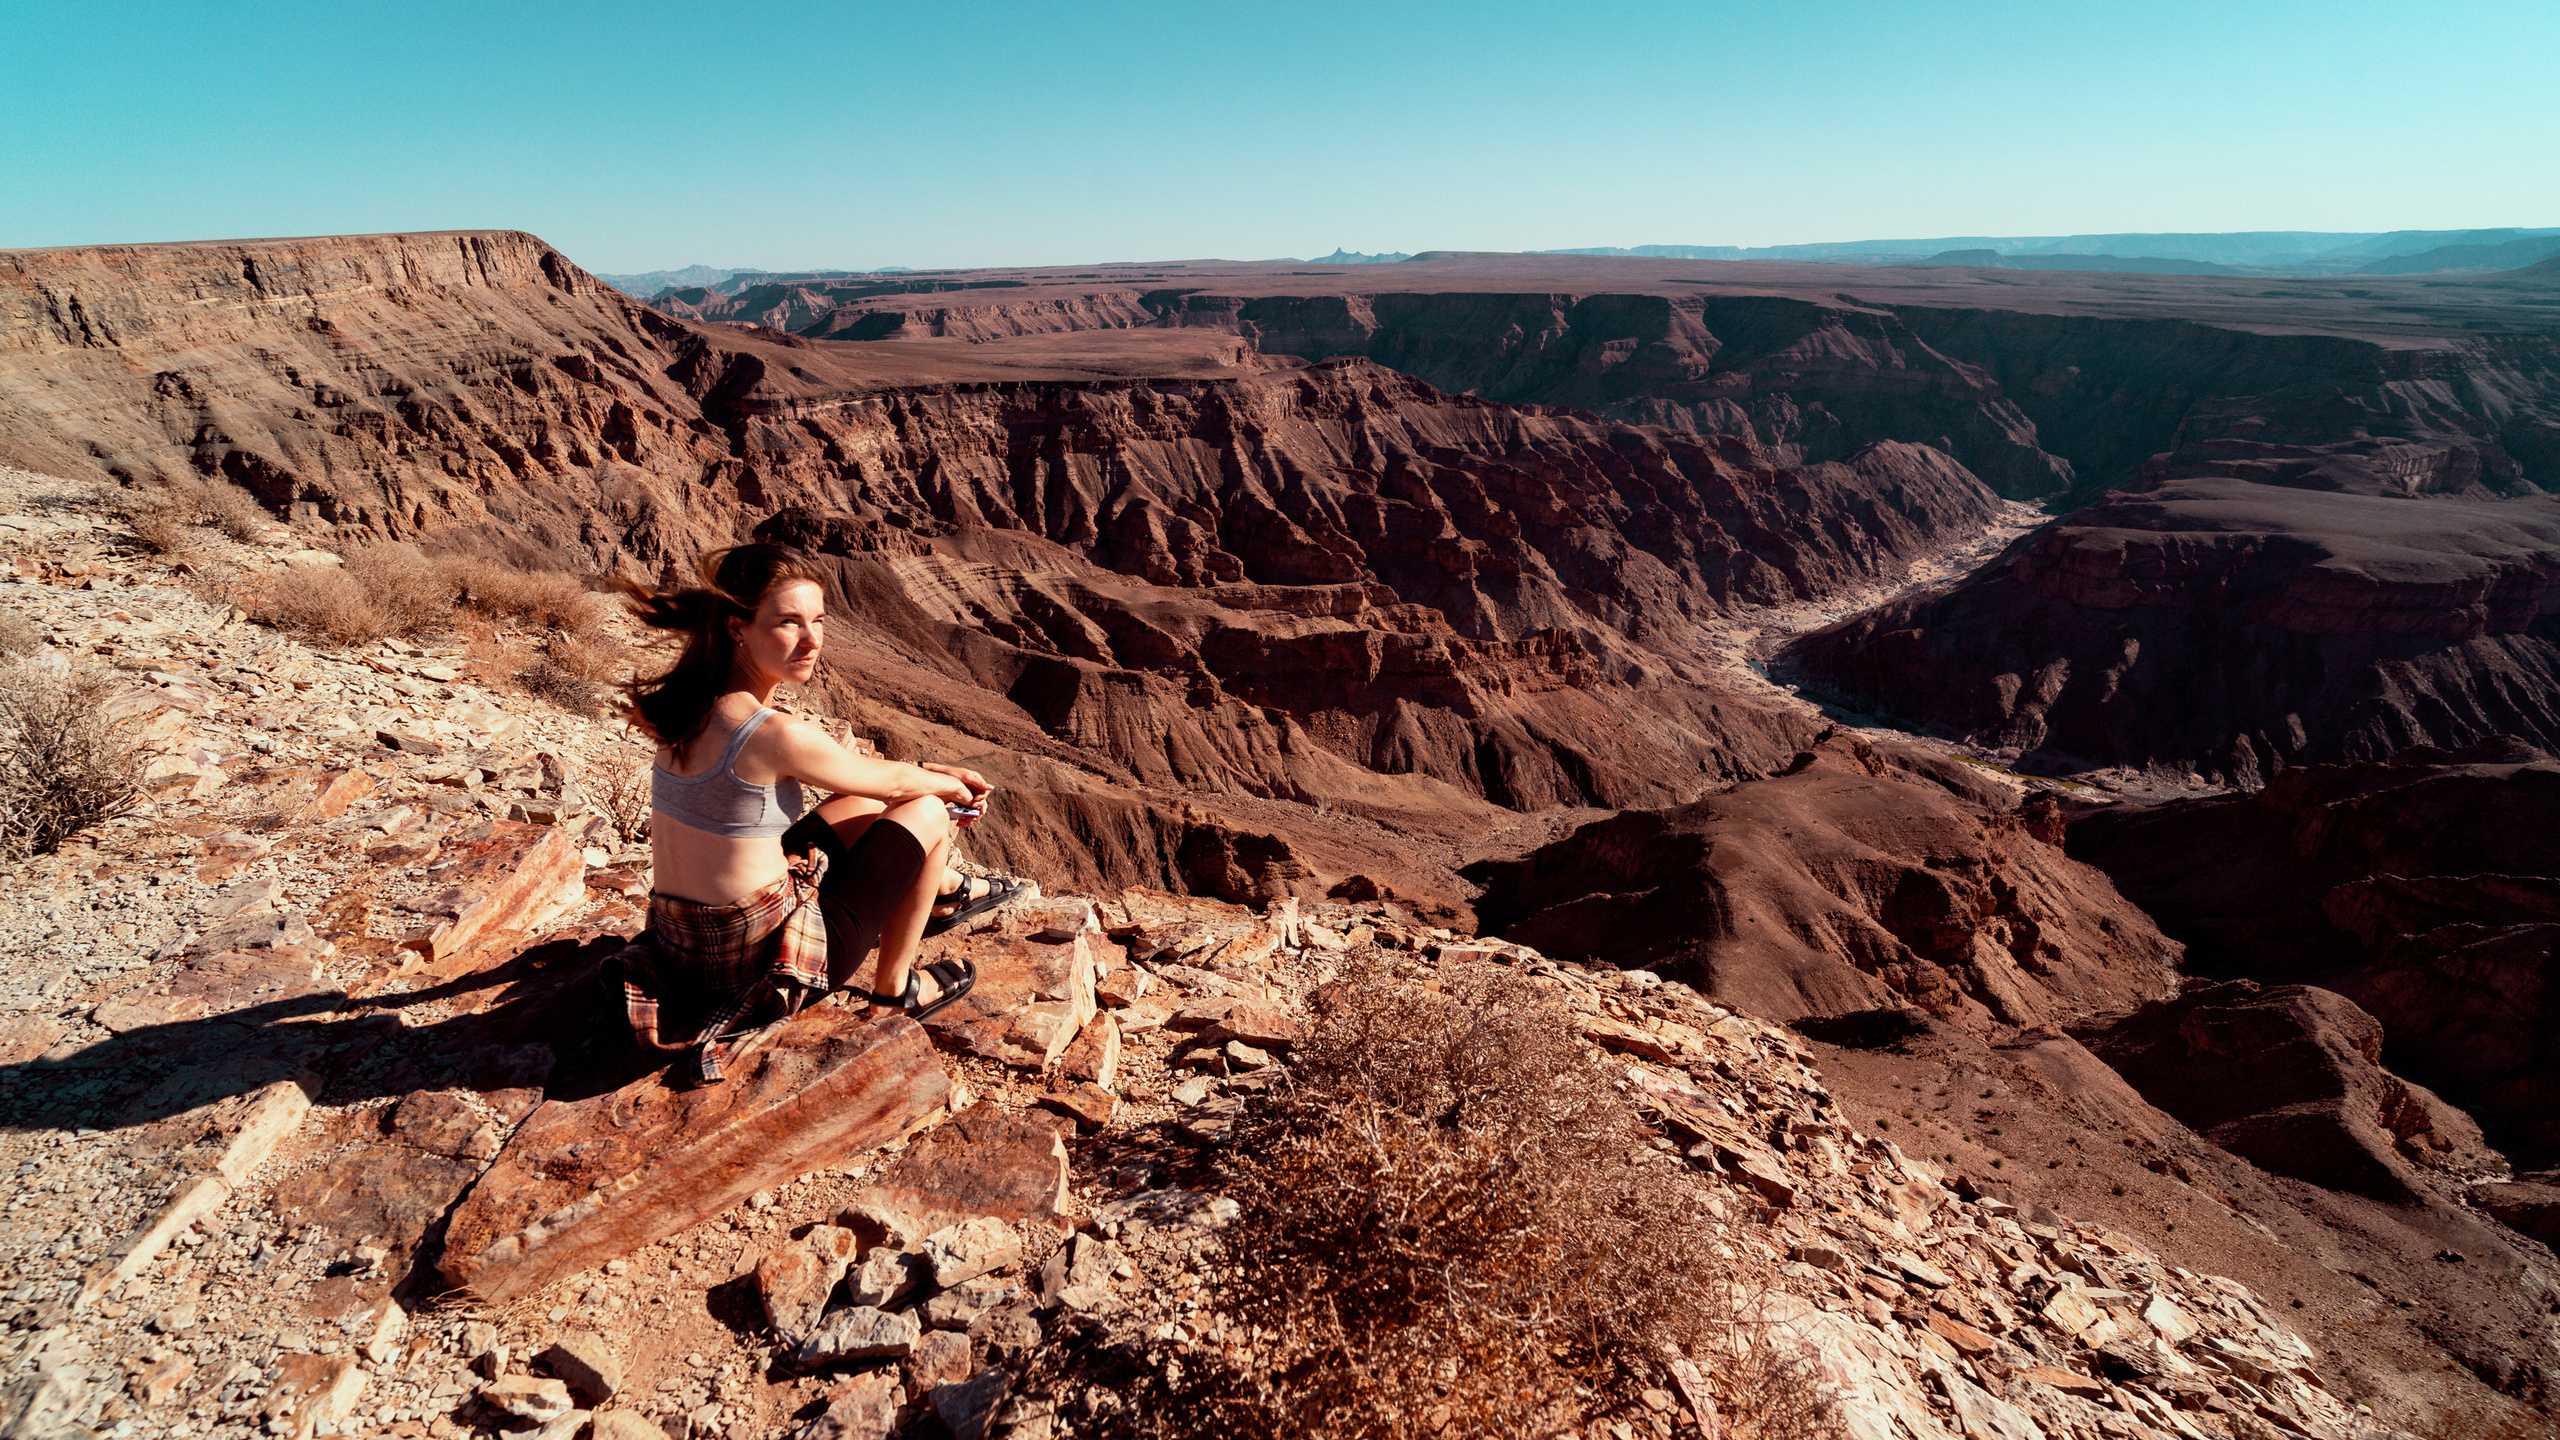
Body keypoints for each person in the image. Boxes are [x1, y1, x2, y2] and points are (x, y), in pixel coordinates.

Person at [614, 543, 1025, 1081]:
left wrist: (932, 771)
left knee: (860, 800)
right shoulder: (771, 733)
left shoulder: (687, 703)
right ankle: (896, 992)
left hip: (683, 946)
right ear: (738, 627)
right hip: (756, 965)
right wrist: (953, 786)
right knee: (926, 811)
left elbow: (865, 779)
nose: (811, 641)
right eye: (789, 623)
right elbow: (902, 783)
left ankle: (944, 888)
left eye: (818, 621)